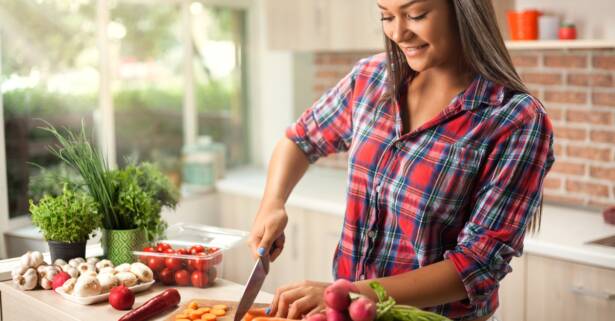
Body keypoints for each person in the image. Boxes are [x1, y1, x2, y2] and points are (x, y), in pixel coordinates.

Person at [248, 0, 555, 320]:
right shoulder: (370, 78)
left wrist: (353, 293)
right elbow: (299, 140)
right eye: (386, 16)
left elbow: (477, 265)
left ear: (464, 9)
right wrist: (272, 203)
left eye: (416, 15)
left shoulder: (516, 119)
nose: (398, 32)